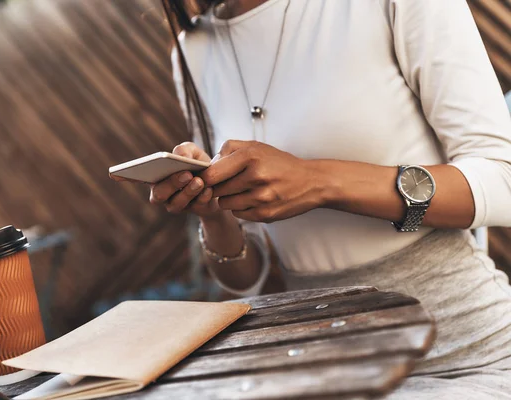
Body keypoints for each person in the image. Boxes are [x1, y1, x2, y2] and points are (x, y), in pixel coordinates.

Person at [152, 0, 511, 398]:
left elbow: (502, 180)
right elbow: (248, 278)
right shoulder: (193, 50)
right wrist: (213, 215)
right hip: (323, 366)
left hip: (467, 356)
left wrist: (320, 181)